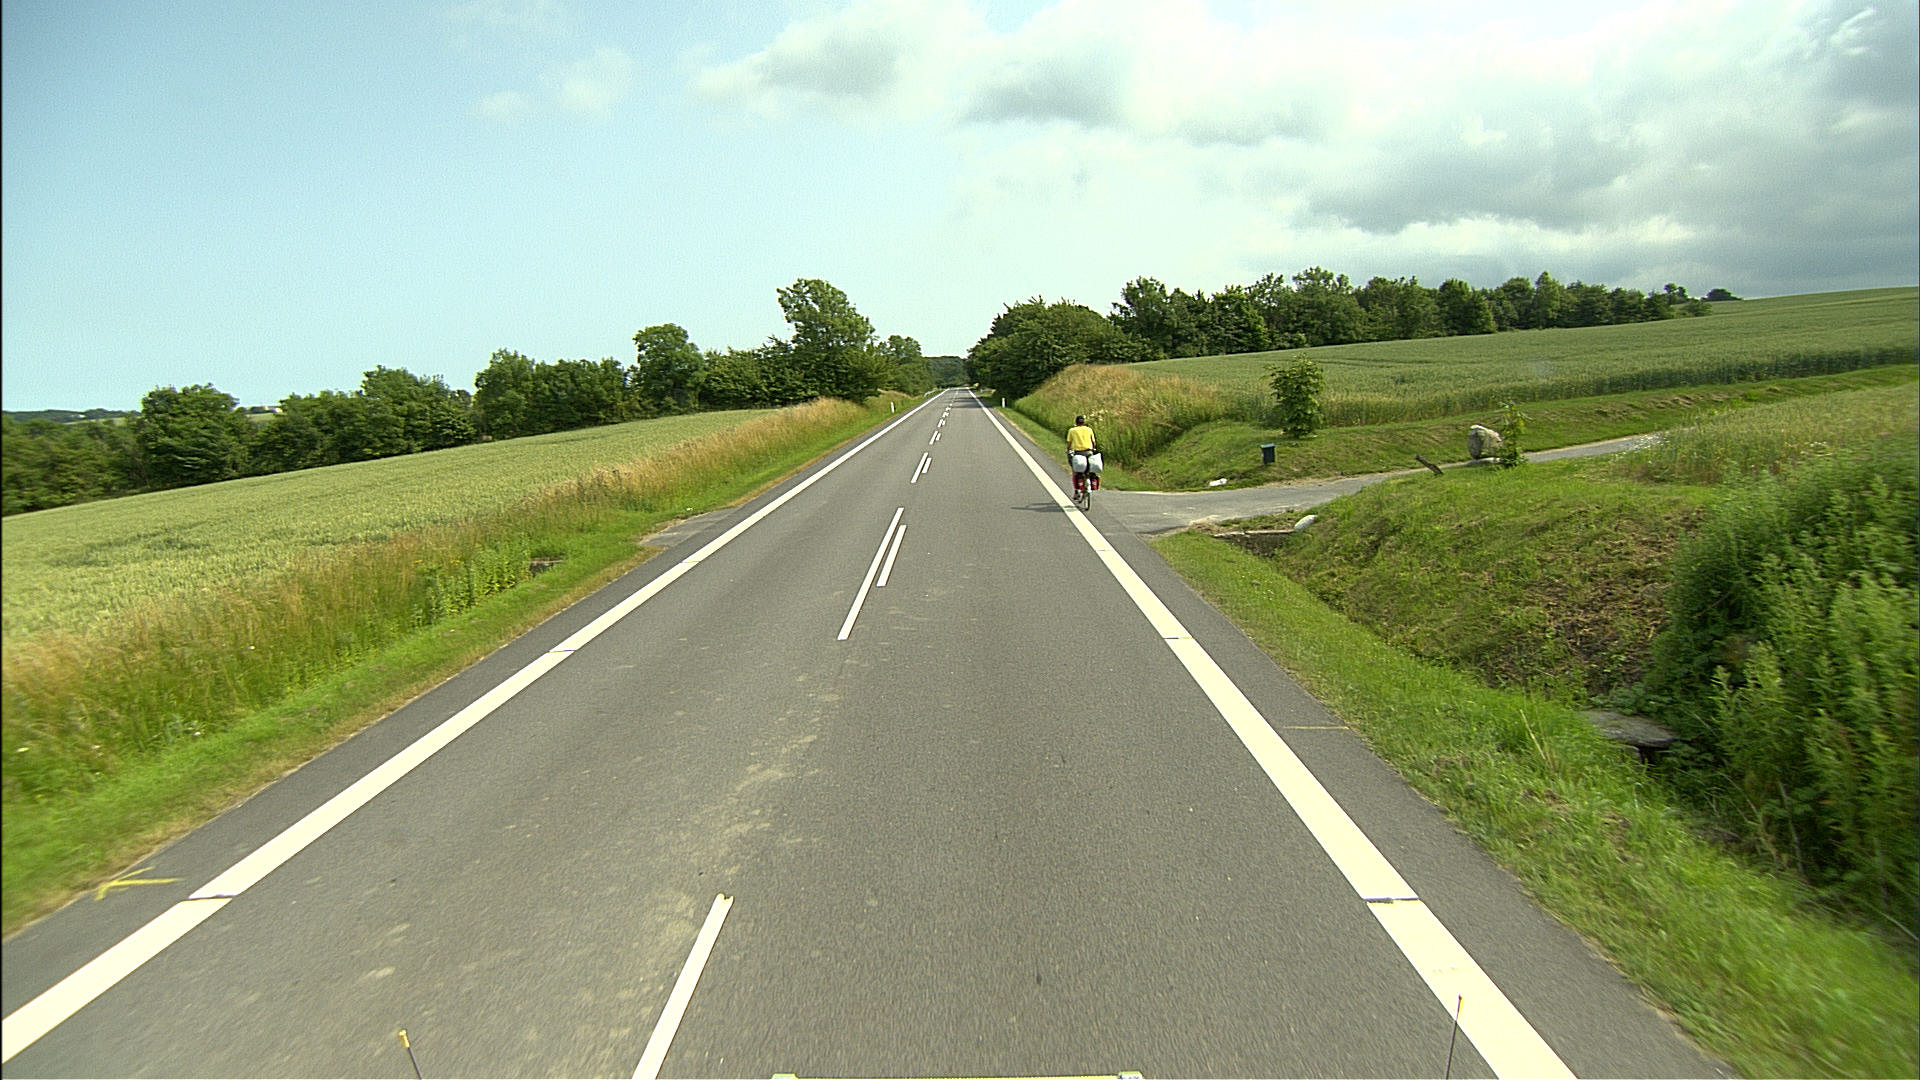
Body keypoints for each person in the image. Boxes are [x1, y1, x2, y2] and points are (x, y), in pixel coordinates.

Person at [1066, 415, 1099, 495]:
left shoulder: (1072, 430)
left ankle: (1076, 491)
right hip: (1089, 452)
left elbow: (1069, 443)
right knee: (1089, 468)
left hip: (1078, 453)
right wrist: (1093, 448)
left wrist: (1068, 450)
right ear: (1084, 422)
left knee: (1075, 470)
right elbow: (1093, 442)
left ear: (1076, 422)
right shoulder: (1089, 429)